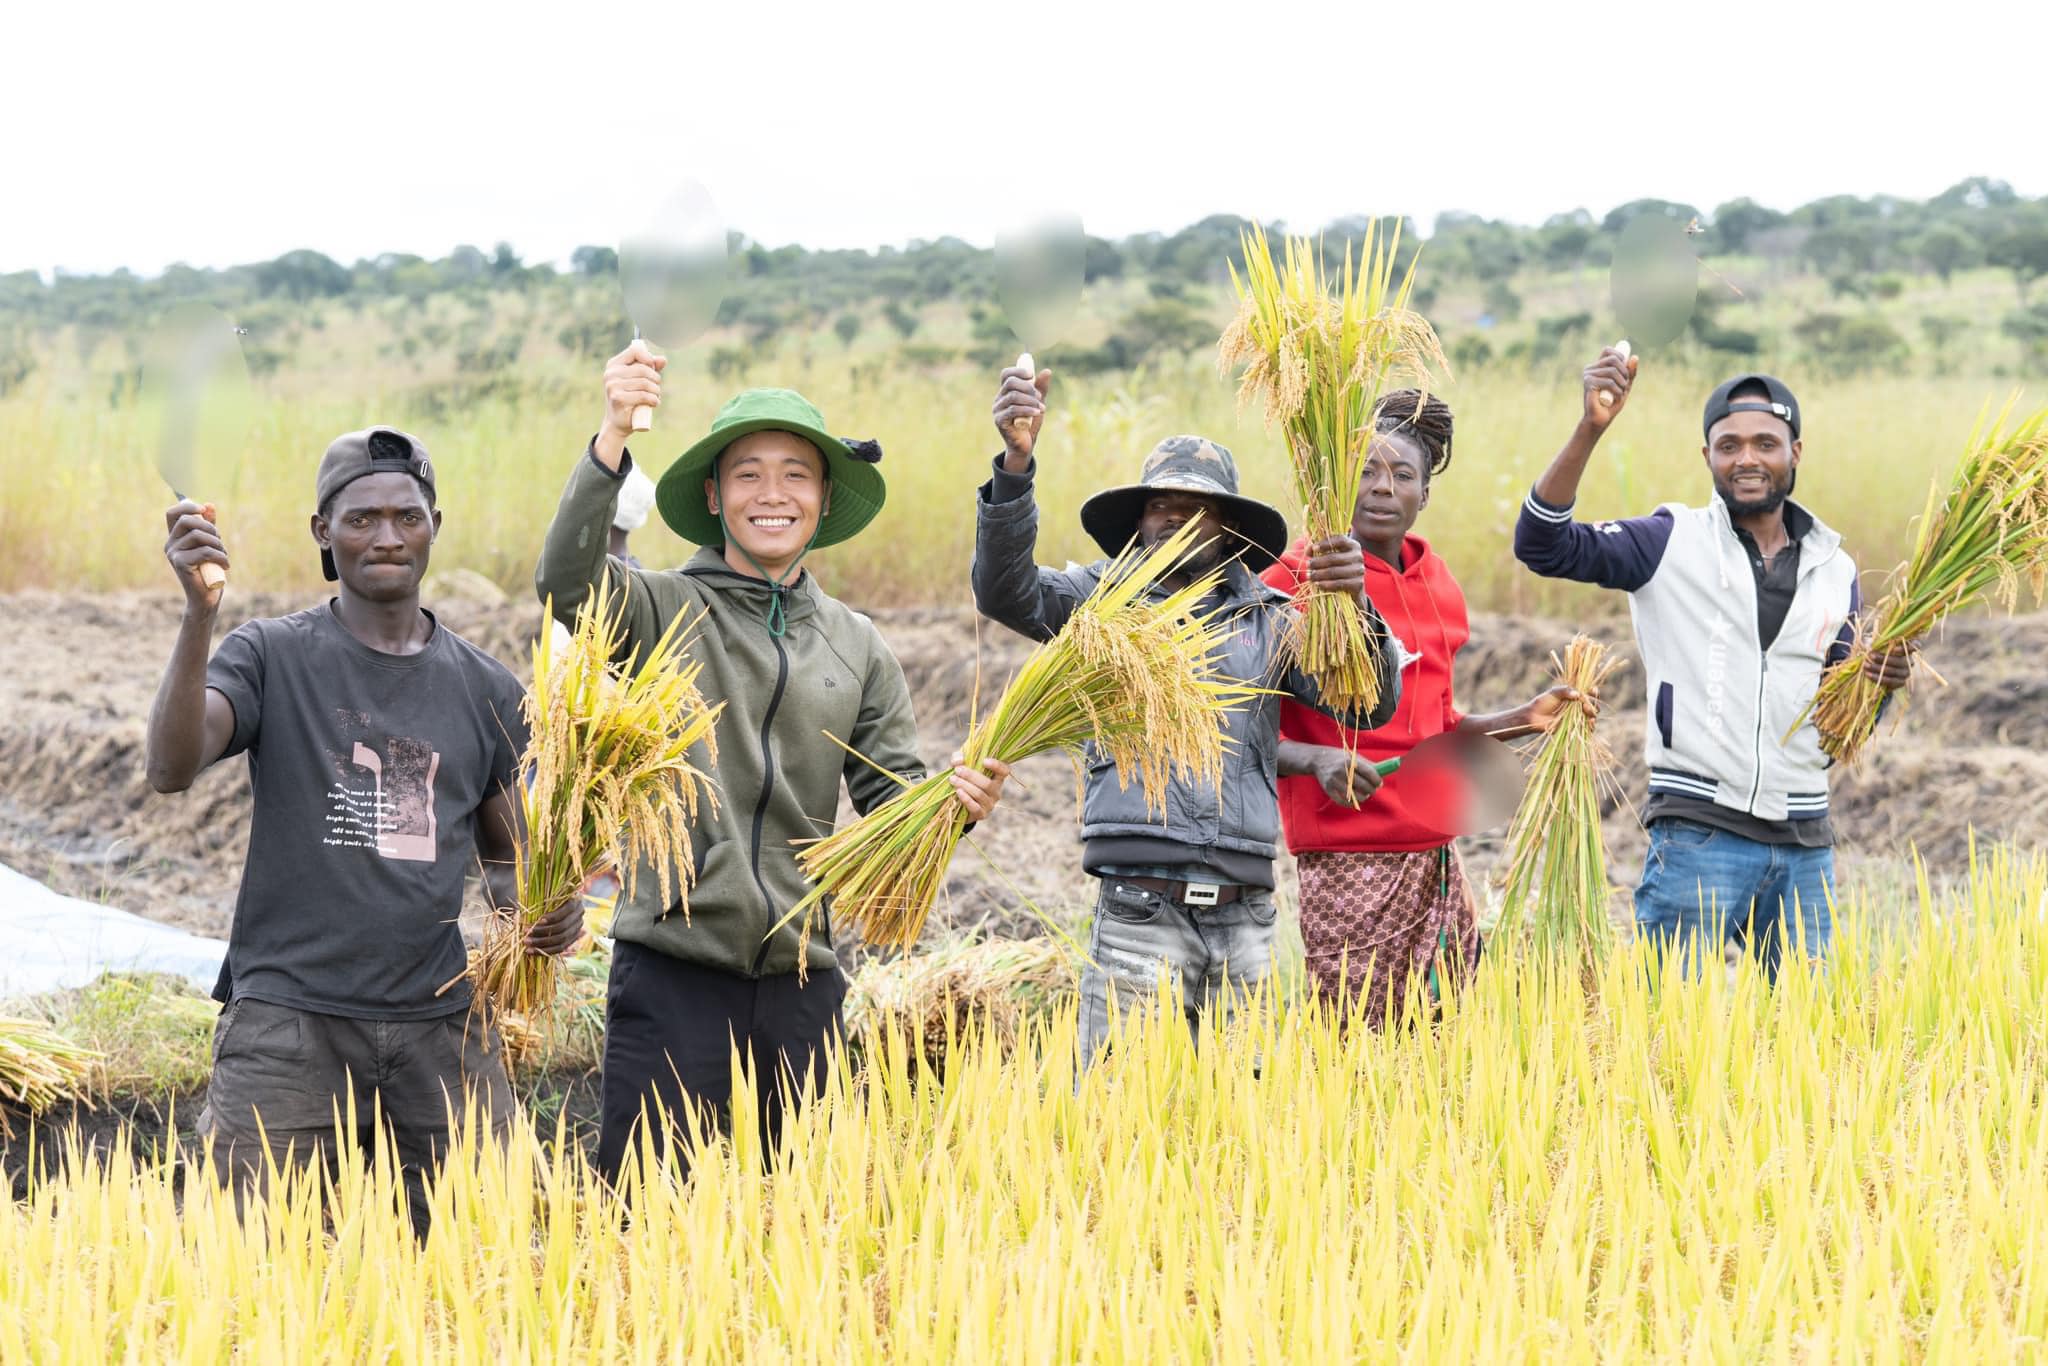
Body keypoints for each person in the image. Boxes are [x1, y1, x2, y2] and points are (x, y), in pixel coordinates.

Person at [535, 342, 1009, 1184]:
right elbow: (567, 585)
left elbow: (891, 800)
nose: (773, 494)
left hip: (804, 985)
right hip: (672, 973)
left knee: (801, 1235)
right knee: (644, 1225)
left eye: (796, 474)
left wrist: (952, 805)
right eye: (748, 474)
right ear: (713, 498)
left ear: (824, 499)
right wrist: (613, 433)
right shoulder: (662, 609)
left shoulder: (856, 645)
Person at [144, 427, 583, 1233]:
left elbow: (510, 867)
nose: (387, 537)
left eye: (406, 518)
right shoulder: (272, 655)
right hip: (289, 1023)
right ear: (323, 531)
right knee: (245, 1267)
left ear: (434, 526)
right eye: (361, 519)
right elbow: (171, 767)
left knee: (498, 1250)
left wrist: (551, 914)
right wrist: (198, 616)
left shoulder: (485, 686)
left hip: (442, 1025)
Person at [973, 360, 1401, 1061]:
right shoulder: (1099, 604)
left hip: (1247, 913)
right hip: (1140, 907)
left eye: (1197, 508)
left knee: (1248, 1122)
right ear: (1138, 520)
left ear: (1228, 528)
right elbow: (1005, 593)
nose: (1175, 518)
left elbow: (1367, 702)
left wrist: (1355, 606)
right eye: (1159, 505)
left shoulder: (1272, 620)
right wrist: (1016, 467)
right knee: (1121, 1114)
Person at [1514, 349, 1910, 979]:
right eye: (1728, 445)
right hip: (1699, 833)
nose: (1746, 458)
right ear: (1708, 459)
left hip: (1805, 842)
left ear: (1795, 453)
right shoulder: (1670, 540)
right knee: (1671, 1029)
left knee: (1808, 1035)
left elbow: (1842, 728)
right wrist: (1591, 428)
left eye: (1765, 443)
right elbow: (1543, 544)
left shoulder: (1836, 570)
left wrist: (1879, 685)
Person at [1261, 390, 1592, 1023]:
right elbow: (1244, 729)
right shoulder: (1299, 575)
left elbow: (1437, 730)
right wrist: (1318, 761)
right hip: (1346, 855)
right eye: (1366, 471)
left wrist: (1525, 718)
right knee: (1353, 1043)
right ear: (1334, 483)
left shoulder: (1439, 584)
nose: (1383, 488)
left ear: (1424, 493)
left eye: (1403, 474)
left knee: (1447, 1040)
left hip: (1436, 856)